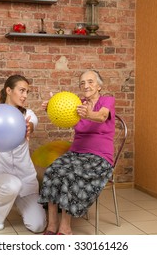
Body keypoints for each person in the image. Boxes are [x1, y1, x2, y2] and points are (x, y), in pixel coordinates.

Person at [38, 70, 115, 235]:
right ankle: (52, 224)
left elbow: (102, 117)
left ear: (99, 86)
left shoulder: (107, 101)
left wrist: (88, 114)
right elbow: (62, 115)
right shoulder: (76, 103)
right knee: (53, 170)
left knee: (70, 175)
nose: (86, 85)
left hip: (100, 157)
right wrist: (50, 107)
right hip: (76, 153)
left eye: (90, 82)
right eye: (82, 83)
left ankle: (65, 228)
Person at [0, 75, 46, 233]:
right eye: (21, 90)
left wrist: (28, 128)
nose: (25, 95)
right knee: (12, 185)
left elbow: (31, 125)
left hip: (25, 179)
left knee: (38, 225)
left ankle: (18, 202)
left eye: (27, 92)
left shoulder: (28, 115)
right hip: (0, 178)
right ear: (8, 90)